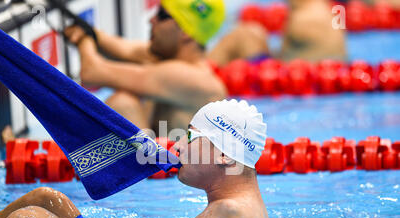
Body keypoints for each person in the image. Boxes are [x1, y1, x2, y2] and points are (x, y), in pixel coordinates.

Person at [0, 100, 268, 218]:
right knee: (47, 199)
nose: (178, 144)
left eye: (191, 137)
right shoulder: (244, 205)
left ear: (224, 155)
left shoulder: (231, 210)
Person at [64, 0, 227, 134]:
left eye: (161, 16)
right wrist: (83, 29)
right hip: (160, 165)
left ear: (185, 32)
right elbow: (119, 48)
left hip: (172, 172)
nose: (151, 20)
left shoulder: (192, 78)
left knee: (124, 104)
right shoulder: (165, 61)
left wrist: (83, 39)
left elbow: (92, 72)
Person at [208, 0, 347, 66]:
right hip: (318, 72)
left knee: (244, 35)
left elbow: (289, 63)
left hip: (294, 82)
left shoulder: (304, 19)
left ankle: (203, 70)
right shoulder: (320, 8)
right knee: (253, 33)